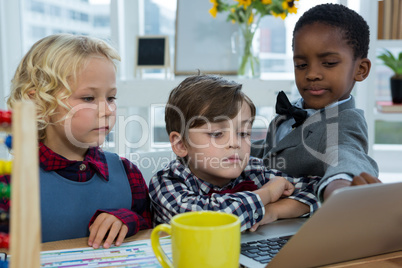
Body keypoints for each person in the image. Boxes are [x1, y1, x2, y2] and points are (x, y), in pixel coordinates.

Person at [0, 34, 151, 248]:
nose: (107, 111)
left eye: (111, 98)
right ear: (37, 104)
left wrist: (129, 220)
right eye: (88, 98)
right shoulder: (9, 185)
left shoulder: (128, 173)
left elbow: (151, 230)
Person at [149, 74, 320, 232]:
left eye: (243, 133)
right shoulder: (167, 182)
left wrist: (273, 211)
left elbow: (321, 192)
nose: (235, 143)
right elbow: (212, 219)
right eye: (217, 134)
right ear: (180, 145)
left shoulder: (253, 171)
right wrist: (266, 194)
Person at [251, 3, 380, 202]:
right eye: (301, 65)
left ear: (360, 69)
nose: (311, 74)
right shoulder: (291, 110)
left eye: (328, 63)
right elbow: (271, 151)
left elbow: (346, 154)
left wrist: (340, 187)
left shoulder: (345, 122)